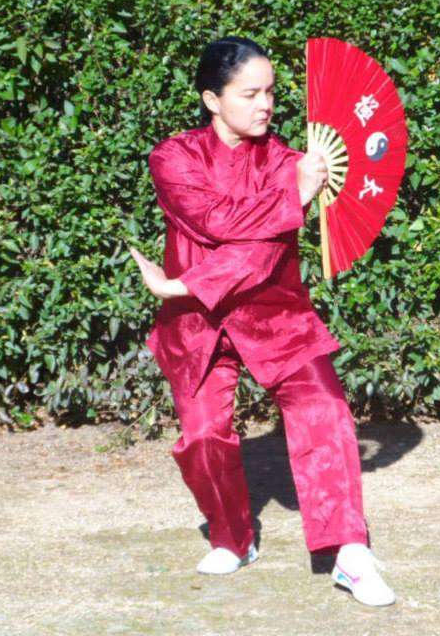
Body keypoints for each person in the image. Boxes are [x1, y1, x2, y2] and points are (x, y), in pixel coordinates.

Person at [128, 36, 395, 607]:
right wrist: (291, 200)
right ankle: (232, 537)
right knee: (203, 438)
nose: (266, 105)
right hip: (197, 324)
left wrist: (180, 282)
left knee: (325, 411)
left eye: (271, 92)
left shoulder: (289, 163)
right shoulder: (172, 158)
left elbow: (264, 255)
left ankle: (349, 552)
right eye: (250, 94)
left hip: (277, 312)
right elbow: (215, 220)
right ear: (211, 99)